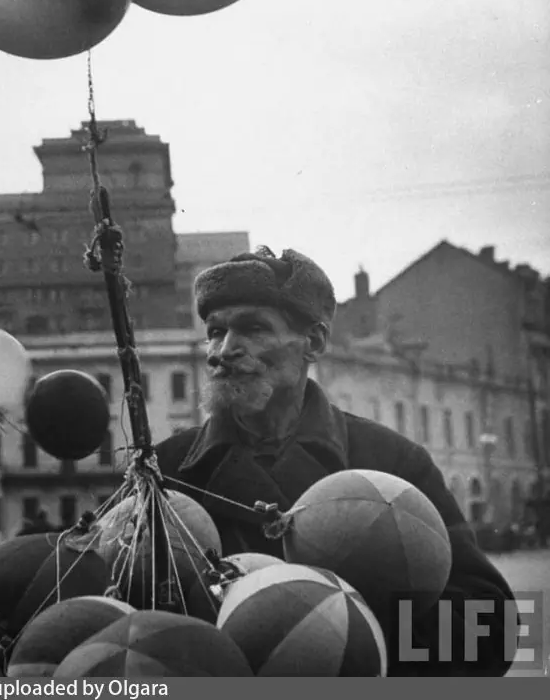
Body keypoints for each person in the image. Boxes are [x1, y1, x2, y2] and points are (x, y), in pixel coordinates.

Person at [154, 246, 518, 677]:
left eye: (253, 328)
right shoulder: (168, 471)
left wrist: (340, 630)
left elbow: (490, 626)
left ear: (315, 341)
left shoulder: (393, 462)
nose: (224, 350)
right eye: (215, 331)